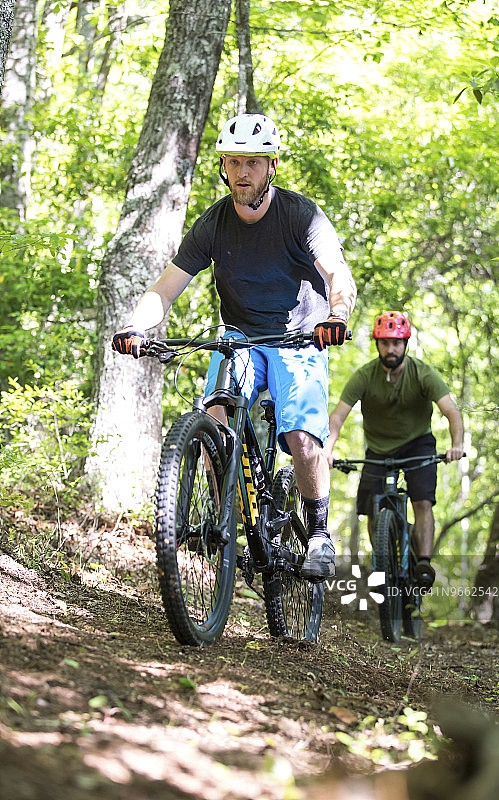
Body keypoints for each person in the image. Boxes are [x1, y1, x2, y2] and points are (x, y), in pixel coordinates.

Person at [112, 113, 356, 581]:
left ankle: (319, 532)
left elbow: (337, 275)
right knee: (214, 417)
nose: (242, 171)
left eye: (253, 162)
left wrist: (337, 316)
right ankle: (229, 527)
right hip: (240, 335)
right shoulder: (214, 224)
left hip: (300, 336)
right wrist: (135, 327)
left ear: (271, 167)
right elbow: (164, 289)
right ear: (223, 167)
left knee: (301, 438)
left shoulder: (301, 216)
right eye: (233, 161)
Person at [324, 311, 464, 590]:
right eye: (385, 343)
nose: (391, 349)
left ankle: (423, 562)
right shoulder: (365, 376)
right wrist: (328, 449)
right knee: (371, 509)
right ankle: (381, 562)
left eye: (397, 343)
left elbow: (451, 412)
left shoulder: (422, 373)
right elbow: (338, 416)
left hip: (418, 444)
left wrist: (456, 445)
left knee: (422, 502)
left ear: (406, 344)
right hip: (378, 448)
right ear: (377, 344)